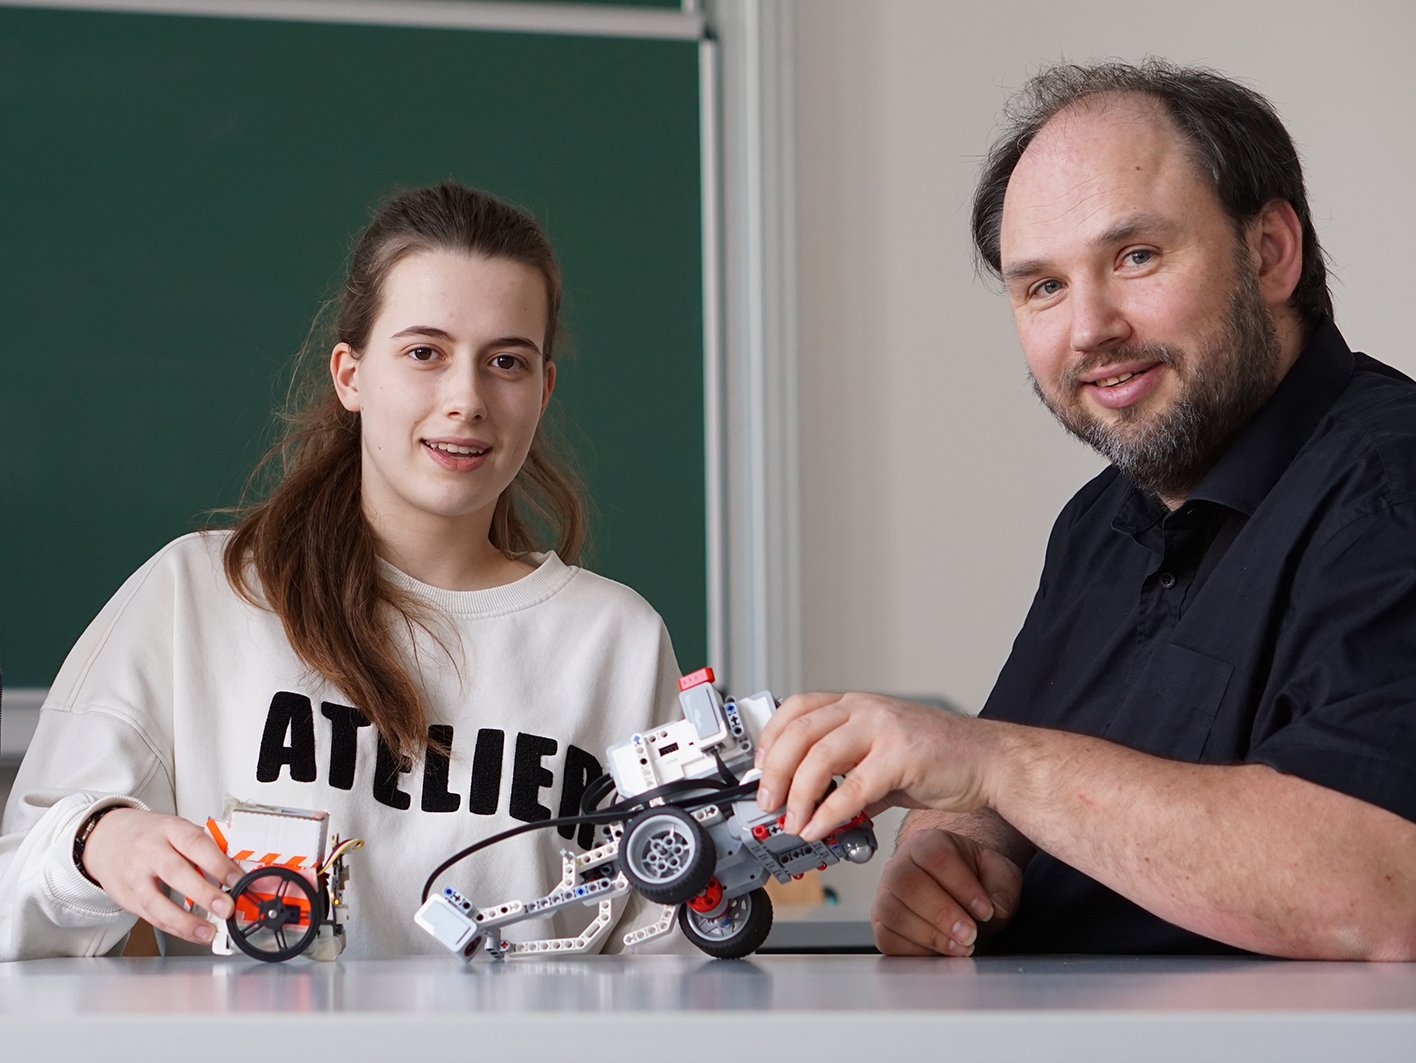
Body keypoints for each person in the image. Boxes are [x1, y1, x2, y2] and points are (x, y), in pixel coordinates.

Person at [754, 60, 1416, 960]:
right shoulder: (1100, 522)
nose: (1088, 327)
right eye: (1043, 287)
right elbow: (997, 799)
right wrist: (945, 855)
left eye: (1135, 257)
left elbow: (1380, 883)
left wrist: (990, 760)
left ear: (1270, 254)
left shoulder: (1391, 487)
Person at [0, 182, 681, 960]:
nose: (466, 399)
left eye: (506, 362)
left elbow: (667, 954)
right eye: (425, 353)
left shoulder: (617, 640)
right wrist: (94, 841)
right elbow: (15, 899)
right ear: (350, 375)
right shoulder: (197, 596)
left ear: (543, 390)